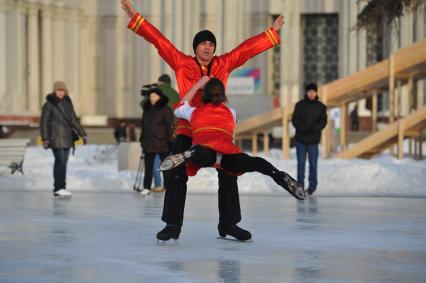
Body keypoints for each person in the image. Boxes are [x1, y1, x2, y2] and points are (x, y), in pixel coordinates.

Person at [121, 0, 284, 241]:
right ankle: (172, 225)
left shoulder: (223, 64)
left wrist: (271, 33)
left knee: (228, 173)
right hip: (188, 128)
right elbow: (160, 41)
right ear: (196, 47)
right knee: (177, 172)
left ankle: (229, 224)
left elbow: (245, 50)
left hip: (217, 129)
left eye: (211, 44)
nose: (207, 47)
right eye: (203, 43)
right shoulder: (182, 63)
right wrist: (137, 18)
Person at [162, 78, 306, 210]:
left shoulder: (194, 112)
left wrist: (198, 85)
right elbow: (225, 108)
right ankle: (279, 175)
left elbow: (178, 107)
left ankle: (185, 154)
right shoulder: (231, 113)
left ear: (204, 95)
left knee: (196, 151)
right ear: (223, 96)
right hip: (228, 157)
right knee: (255, 162)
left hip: (205, 154)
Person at [40, 81, 87, 197]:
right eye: (58, 90)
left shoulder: (68, 103)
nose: (60, 93)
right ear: (54, 91)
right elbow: (44, 122)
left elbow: (73, 120)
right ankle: (58, 187)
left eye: (62, 90)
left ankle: (62, 187)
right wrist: (45, 138)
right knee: (59, 162)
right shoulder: (49, 104)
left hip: (67, 137)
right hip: (55, 137)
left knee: (64, 163)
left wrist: (83, 134)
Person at [291, 83, 327, 196]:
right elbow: (294, 119)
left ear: (316, 93)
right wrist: (303, 128)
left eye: (313, 91)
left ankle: (312, 187)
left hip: (313, 140)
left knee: (313, 164)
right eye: (309, 91)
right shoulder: (299, 105)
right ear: (306, 93)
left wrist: (313, 129)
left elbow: (323, 122)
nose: (311, 94)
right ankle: (300, 186)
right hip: (301, 139)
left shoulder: (321, 107)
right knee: (301, 164)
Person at [139, 85, 173, 196]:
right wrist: (142, 139)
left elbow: (169, 126)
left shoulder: (166, 109)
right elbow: (144, 125)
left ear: (159, 97)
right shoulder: (147, 109)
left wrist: (170, 140)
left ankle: (168, 187)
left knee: (166, 166)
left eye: (154, 96)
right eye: (150, 96)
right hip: (148, 142)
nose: (152, 98)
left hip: (162, 142)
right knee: (148, 167)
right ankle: (146, 187)